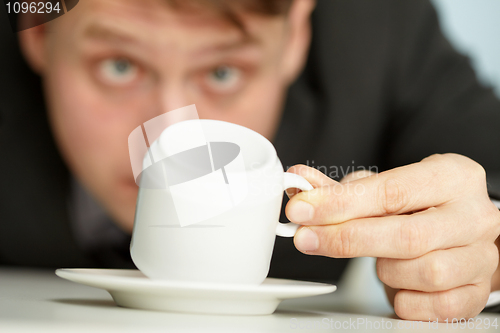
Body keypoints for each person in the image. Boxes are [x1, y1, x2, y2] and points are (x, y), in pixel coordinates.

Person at [1, 0, 500, 321]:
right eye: (119, 66)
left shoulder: (380, 29)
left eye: (221, 72)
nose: (175, 140)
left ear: (296, 34)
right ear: (36, 29)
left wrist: (479, 250)